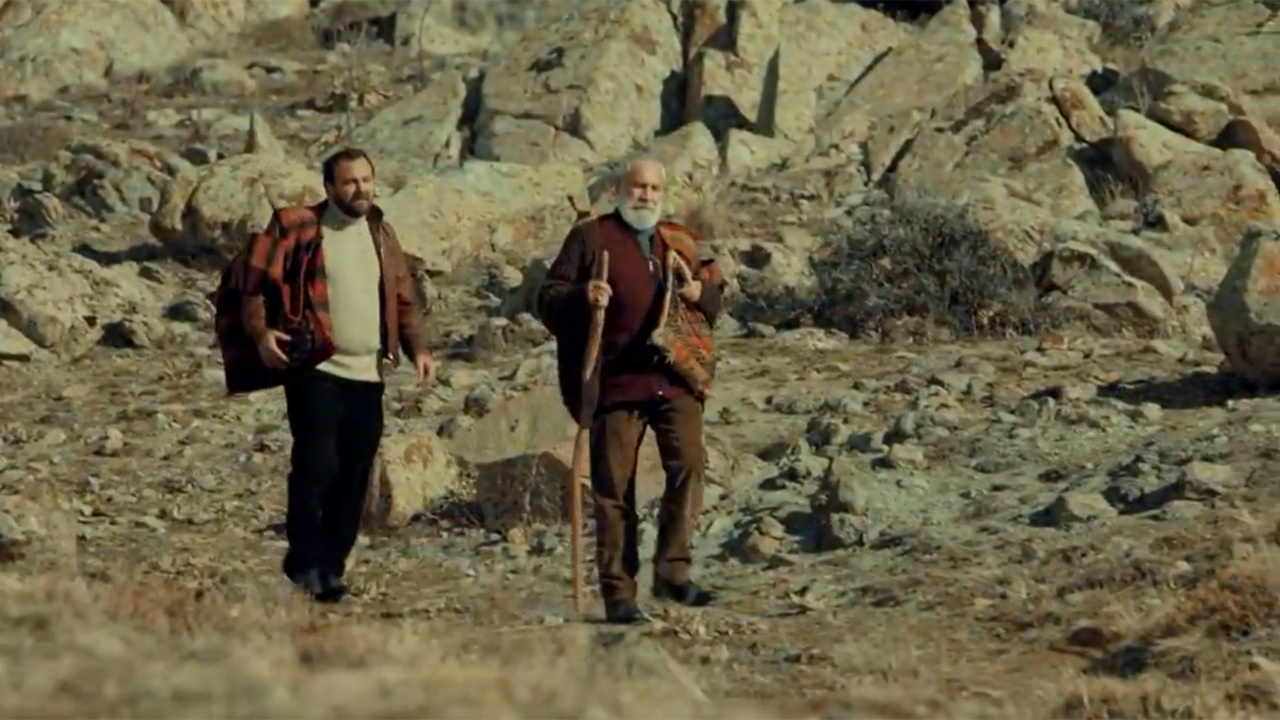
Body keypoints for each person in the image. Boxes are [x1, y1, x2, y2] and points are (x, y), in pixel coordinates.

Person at [219, 147, 435, 603]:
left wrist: (418, 348)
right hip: (316, 366)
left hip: (368, 371)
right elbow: (253, 286)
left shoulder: (381, 232)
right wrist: (260, 333)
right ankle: (305, 561)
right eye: (350, 182)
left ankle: (331, 566)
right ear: (330, 187)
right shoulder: (300, 228)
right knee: (317, 464)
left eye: (366, 180)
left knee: (356, 471)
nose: (361, 189)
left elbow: (402, 296)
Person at [537, 158, 726, 624]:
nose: (646, 195)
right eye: (639, 187)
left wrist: (700, 295)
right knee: (614, 489)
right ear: (618, 190)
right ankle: (619, 593)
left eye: (655, 188)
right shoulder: (590, 237)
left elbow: (713, 291)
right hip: (614, 383)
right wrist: (582, 295)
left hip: (674, 379)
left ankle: (672, 573)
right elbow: (547, 297)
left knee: (688, 467)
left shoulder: (676, 238)